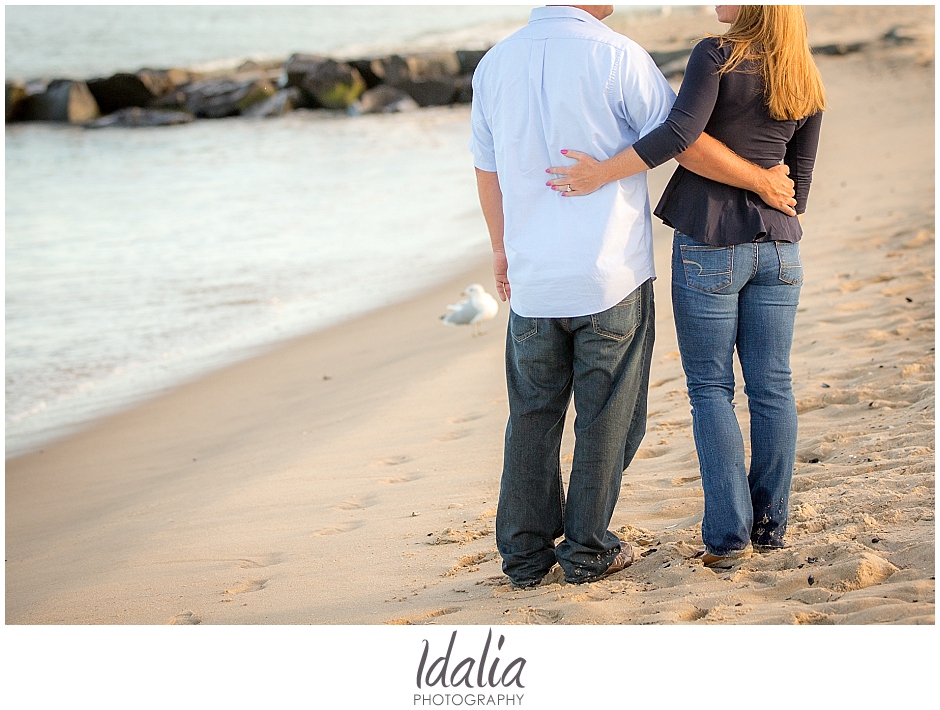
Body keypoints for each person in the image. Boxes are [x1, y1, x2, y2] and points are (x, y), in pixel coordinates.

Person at [470, 5, 800, 587]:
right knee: (609, 420)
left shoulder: (495, 63)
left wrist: (500, 249)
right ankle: (588, 550)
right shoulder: (618, 55)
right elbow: (684, 141)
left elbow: (487, 168)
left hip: (532, 278)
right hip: (609, 274)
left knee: (532, 416)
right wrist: (763, 180)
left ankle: (523, 557)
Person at [545, 5, 825, 567]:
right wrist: (768, 198)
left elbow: (679, 133)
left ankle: (728, 538)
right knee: (772, 386)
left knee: (710, 388)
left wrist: (600, 172)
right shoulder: (804, 71)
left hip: (709, 242)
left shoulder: (716, 54)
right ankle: (771, 527)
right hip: (781, 248)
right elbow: (799, 182)